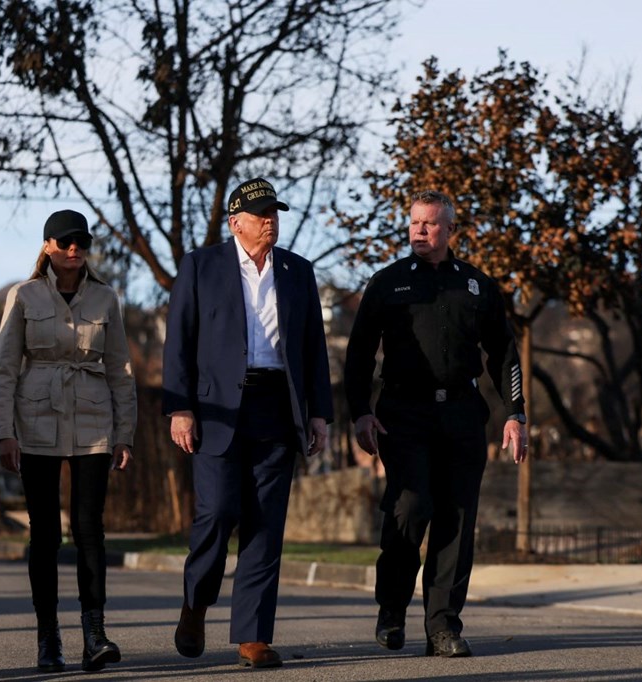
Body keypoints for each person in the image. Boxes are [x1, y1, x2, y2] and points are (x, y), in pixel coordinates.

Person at [343, 190, 528, 659]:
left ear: (449, 230)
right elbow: (360, 353)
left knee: (457, 520)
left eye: (429, 224)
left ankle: (443, 626)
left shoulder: (476, 286)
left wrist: (515, 412)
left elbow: (504, 353)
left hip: (463, 414)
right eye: (414, 224)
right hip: (403, 414)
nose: (419, 232)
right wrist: (360, 411)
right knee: (410, 506)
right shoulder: (387, 284)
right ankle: (391, 608)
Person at [162, 177, 334, 669]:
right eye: (260, 214)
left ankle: (253, 636)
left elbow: (313, 349)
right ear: (235, 222)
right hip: (217, 411)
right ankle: (195, 604)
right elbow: (179, 340)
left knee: (265, 525)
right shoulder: (201, 266)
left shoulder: (298, 271)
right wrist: (180, 407)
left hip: (278, 407)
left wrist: (319, 413)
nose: (270, 220)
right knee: (216, 512)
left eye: (274, 212)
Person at [0, 210, 137, 673]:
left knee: (89, 530)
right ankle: (47, 637)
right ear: (49, 245)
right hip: (36, 423)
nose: (75, 249)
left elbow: (121, 370)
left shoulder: (106, 298)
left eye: (82, 242)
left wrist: (125, 433)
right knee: (46, 534)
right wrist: (4, 432)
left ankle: (95, 634)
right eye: (66, 241)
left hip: (94, 424)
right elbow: (4, 369)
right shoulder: (24, 295)